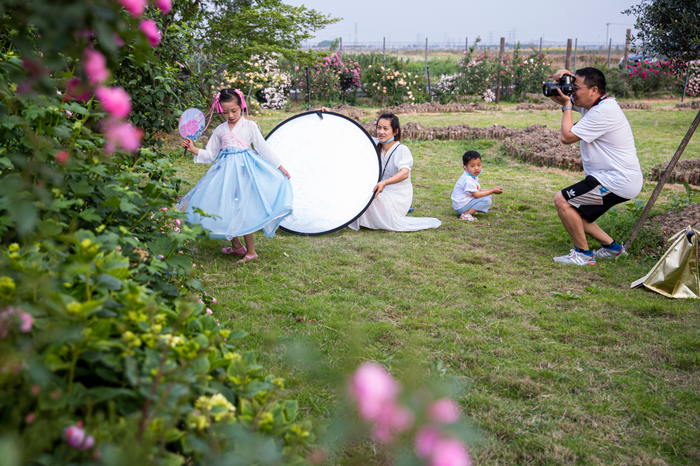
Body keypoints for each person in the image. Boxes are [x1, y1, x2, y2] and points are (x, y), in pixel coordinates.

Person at [177, 89, 292, 263]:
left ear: (241, 106)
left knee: (241, 208)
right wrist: (194, 149)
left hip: (244, 173)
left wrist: (279, 166)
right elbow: (210, 154)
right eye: (225, 112)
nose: (230, 115)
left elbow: (263, 148)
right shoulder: (220, 130)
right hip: (225, 174)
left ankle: (251, 251)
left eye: (234, 110)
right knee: (225, 206)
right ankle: (237, 246)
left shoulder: (250, 126)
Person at [549, 67, 643, 266]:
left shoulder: (603, 112)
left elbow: (567, 137)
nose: (573, 92)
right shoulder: (596, 104)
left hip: (617, 179)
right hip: (615, 177)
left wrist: (567, 106)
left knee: (562, 201)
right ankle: (613, 249)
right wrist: (561, 82)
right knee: (574, 211)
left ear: (593, 90)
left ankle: (583, 255)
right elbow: (562, 98)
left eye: (576, 88)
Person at [347, 113, 441, 232]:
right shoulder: (374, 144)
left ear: (395, 131)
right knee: (360, 194)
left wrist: (384, 183)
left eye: (385, 129)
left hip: (399, 195)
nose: (381, 132)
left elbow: (404, 173)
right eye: (379, 128)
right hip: (382, 190)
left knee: (370, 199)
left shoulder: (401, 150)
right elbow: (354, 134)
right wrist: (329, 113)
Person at [451, 150, 503, 222]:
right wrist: (493, 191)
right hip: (461, 207)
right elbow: (477, 195)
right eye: (472, 166)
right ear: (465, 167)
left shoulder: (472, 176)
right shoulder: (468, 180)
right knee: (486, 200)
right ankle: (466, 214)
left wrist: (492, 189)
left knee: (488, 196)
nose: (476, 168)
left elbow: (479, 190)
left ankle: (470, 210)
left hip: (464, 203)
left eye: (479, 165)